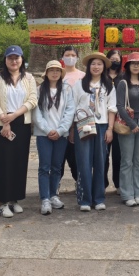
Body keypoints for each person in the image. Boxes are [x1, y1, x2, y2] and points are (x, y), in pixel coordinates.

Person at [0, 45, 38, 218]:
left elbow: (33, 99)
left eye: (17, 58)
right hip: (0, 124)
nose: (14, 61)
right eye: (10, 58)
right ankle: (1, 202)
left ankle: (14, 198)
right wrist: (4, 118)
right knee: (1, 163)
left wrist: (14, 115)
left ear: (22, 59)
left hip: (21, 123)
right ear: (5, 60)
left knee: (18, 162)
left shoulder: (29, 78)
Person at [72, 52, 117, 211]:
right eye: (93, 64)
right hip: (83, 125)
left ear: (104, 67)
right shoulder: (79, 84)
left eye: (99, 64)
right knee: (84, 162)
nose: (96, 67)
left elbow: (112, 108)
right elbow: (73, 107)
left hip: (101, 125)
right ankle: (85, 199)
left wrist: (110, 129)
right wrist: (72, 130)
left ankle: (98, 198)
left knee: (100, 162)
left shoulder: (108, 86)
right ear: (88, 66)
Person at [34, 60, 76, 215]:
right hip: (43, 134)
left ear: (61, 73)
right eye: (51, 70)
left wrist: (60, 130)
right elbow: (36, 112)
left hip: (61, 134)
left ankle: (53, 195)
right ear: (46, 73)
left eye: (57, 70)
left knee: (57, 166)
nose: (54, 73)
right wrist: (47, 130)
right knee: (44, 166)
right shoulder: (39, 90)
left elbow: (70, 111)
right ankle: (45, 198)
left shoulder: (66, 89)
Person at [116, 52, 139, 206]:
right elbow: (120, 106)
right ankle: (127, 194)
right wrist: (133, 124)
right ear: (128, 66)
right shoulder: (123, 83)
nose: (136, 66)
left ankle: (138, 192)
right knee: (127, 160)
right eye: (133, 63)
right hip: (128, 124)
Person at [60, 46, 85, 192]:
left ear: (77, 57)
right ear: (62, 57)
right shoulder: (57, 74)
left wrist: (73, 126)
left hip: (77, 122)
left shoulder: (83, 76)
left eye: (73, 55)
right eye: (67, 55)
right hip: (58, 121)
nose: (70, 57)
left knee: (75, 156)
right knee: (59, 156)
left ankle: (79, 181)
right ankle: (55, 183)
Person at [105, 49, 123, 192]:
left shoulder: (123, 78)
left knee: (118, 155)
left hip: (120, 121)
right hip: (103, 120)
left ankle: (118, 183)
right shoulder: (101, 76)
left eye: (117, 59)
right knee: (103, 155)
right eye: (112, 59)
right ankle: (102, 183)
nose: (114, 62)